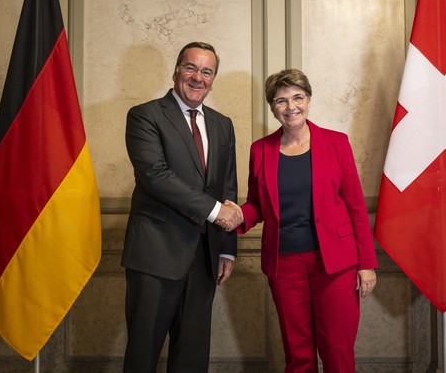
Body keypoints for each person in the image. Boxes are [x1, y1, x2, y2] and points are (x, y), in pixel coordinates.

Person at [233, 68, 378, 372]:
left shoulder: (336, 143)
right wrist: (233, 215)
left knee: (337, 350)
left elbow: (354, 206)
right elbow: (258, 204)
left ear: (309, 100)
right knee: (298, 355)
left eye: (297, 97)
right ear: (272, 107)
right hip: (284, 265)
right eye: (281, 100)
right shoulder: (260, 150)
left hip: (335, 263)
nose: (291, 107)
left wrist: (366, 263)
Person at [122, 41, 243, 373]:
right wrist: (217, 212)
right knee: (142, 356)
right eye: (191, 68)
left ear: (213, 78)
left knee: (191, 359)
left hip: (204, 258)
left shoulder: (222, 124)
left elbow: (227, 188)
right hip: (155, 256)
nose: (197, 77)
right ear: (177, 71)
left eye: (207, 71)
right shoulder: (145, 115)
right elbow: (156, 176)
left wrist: (227, 249)